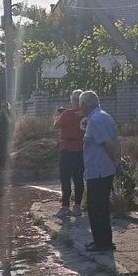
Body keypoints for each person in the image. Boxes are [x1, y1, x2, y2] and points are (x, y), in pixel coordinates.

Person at [79, 90, 120, 253]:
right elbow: (116, 141)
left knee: (97, 208)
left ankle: (103, 243)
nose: (80, 109)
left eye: (81, 105)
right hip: (100, 169)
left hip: (99, 171)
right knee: (98, 207)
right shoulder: (104, 116)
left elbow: (108, 144)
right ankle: (100, 240)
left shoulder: (96, 120)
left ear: (85, 105)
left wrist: (116, 163)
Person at [53, 89, 85, 217]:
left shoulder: (66, 114)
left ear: (73, 100)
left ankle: (65, 206)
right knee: (78, 178)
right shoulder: (86, 114)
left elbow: (55, 126)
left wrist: (58, 116)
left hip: (67, 148)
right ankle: (77, 206)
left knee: (65, 178)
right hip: (81, 148)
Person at [0, 102, 14, 170]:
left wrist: (5, 113)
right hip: (1, 134)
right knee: (2, 150)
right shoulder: (1, 114)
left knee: (5, 150)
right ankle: (2, 165)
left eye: (4, 106)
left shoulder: (9, 113)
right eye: (2, 106)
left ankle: (8, 165)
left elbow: (10, 122)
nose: (3, 108)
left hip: (7, 135)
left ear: (7, 107)